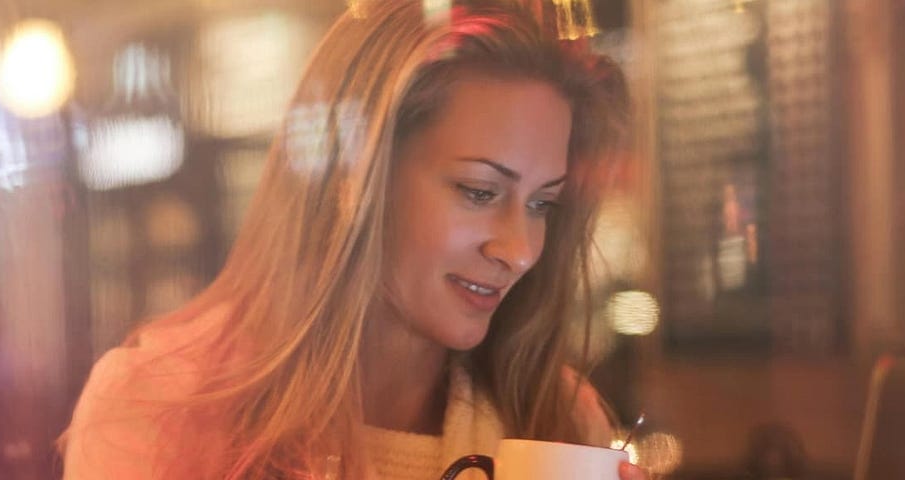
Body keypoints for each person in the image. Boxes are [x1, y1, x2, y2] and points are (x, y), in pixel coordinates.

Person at [61, 0, 640, 478]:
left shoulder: (559, 420)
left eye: (542, 204)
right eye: (479, 191)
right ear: (353, 178)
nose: (518, 250)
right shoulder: (158, 407)